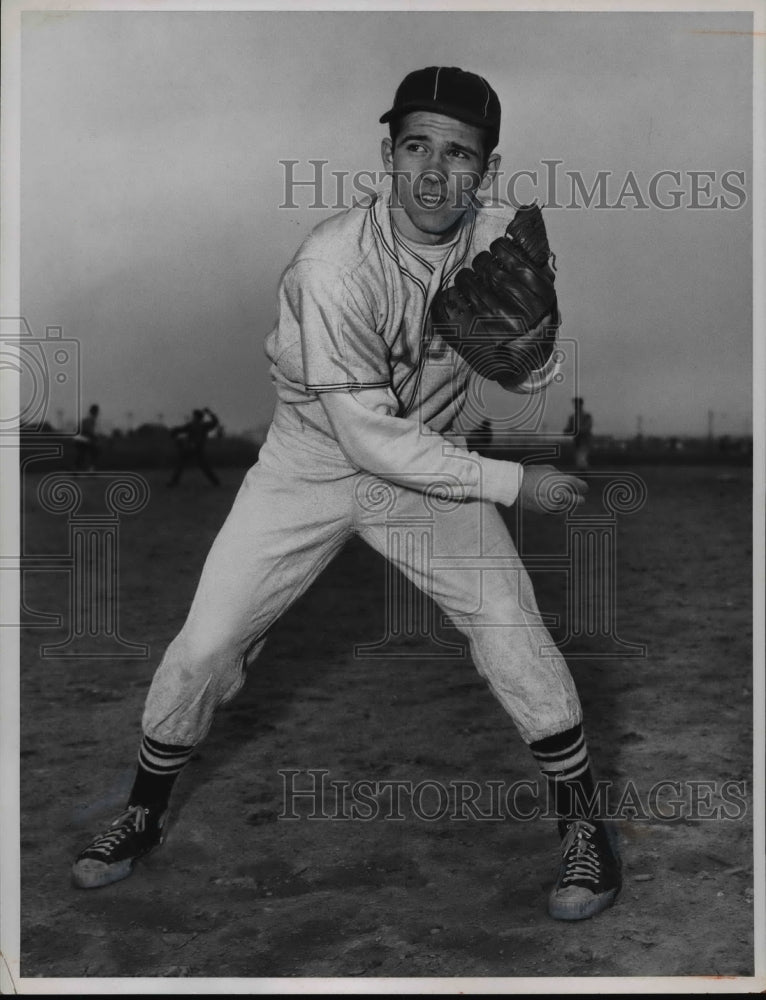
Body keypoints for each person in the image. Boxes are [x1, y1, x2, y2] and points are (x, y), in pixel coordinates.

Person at [71, 66, 621, 921]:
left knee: (514, 634)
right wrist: (515, 480)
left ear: (488, 169)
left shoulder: (501, 235)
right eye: (416, 148)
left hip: (428, 470)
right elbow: (368, 437)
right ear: (386, 154)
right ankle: (141, 812)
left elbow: (524, 374)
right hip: (313, 466)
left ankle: (585, 831)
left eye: (459, 155)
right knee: (207, 645)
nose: (435, 173)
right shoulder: (333, 263)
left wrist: (534, 350)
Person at [167, 407, 221, 487]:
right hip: (197, 449)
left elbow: (180, 429)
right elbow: (215, 422)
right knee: (203, 466)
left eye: (194, 416)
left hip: (192, 449)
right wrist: (209, 413)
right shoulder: (203, 425)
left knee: (181, 464)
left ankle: (174, 482)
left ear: (196, 417)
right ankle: (216, 482)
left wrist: (174, 432)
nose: (193, 417)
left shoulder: (194, 425)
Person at [564, 397, 593, 471]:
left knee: (581, 460)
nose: (576, 406)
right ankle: (583, 477)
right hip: (577, 442)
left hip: (585, 441)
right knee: (579, 461)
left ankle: (584, 477)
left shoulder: (587, 416)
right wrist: (567, 431)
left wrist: (573, 430)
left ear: (581, 405)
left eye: (577, 404)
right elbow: (569, 430)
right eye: (575, 404)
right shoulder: (572, 417)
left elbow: (586, 428)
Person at [73, 403, 100, 471]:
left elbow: (88, 432)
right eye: (96, 411)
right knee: (90, 452)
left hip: (81, 439)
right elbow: (86, 431)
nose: (97, 413)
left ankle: (80, 468)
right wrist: (94, 437)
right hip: (81, 439)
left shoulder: (91, 419)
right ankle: (89, 469)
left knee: (85, 454)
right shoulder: (90, 419)